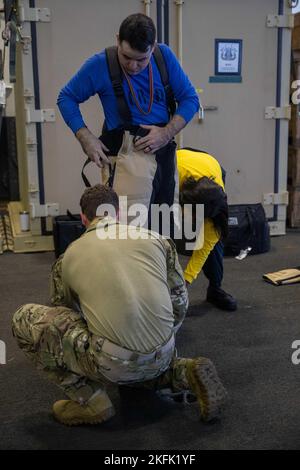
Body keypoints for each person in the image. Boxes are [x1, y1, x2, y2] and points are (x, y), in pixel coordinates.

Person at [12, 184, 227, 426]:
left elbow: (65, 314)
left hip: (112, 363)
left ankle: (90, 400)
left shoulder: (67, 258)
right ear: (119, 214)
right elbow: (179, 300)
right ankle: (181, 371)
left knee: (24, 318)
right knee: (140, 348)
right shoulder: (157, 240)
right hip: (165, 348)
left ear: (84, 219)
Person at [57, 13, 199, 219]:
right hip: (124, 159)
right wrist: (85, 137)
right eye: (126, 57)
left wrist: (167, 133)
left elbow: (190, 99)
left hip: (163, 156)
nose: (133, 66)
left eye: (141, 59)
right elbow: (66, 97)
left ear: (154, 46)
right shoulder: (100, 65)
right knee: (127, 234)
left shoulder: (164, 58)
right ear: (117, 40)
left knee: (164, 230)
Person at [177, 148, 237, 311]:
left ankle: (215, 289)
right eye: (194, 215)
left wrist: (184, 283)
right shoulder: (174, 178)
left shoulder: (217, 200)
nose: (196, 221)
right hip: (181, 162)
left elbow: (204, 249)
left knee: (213, 238)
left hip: (211, 167)